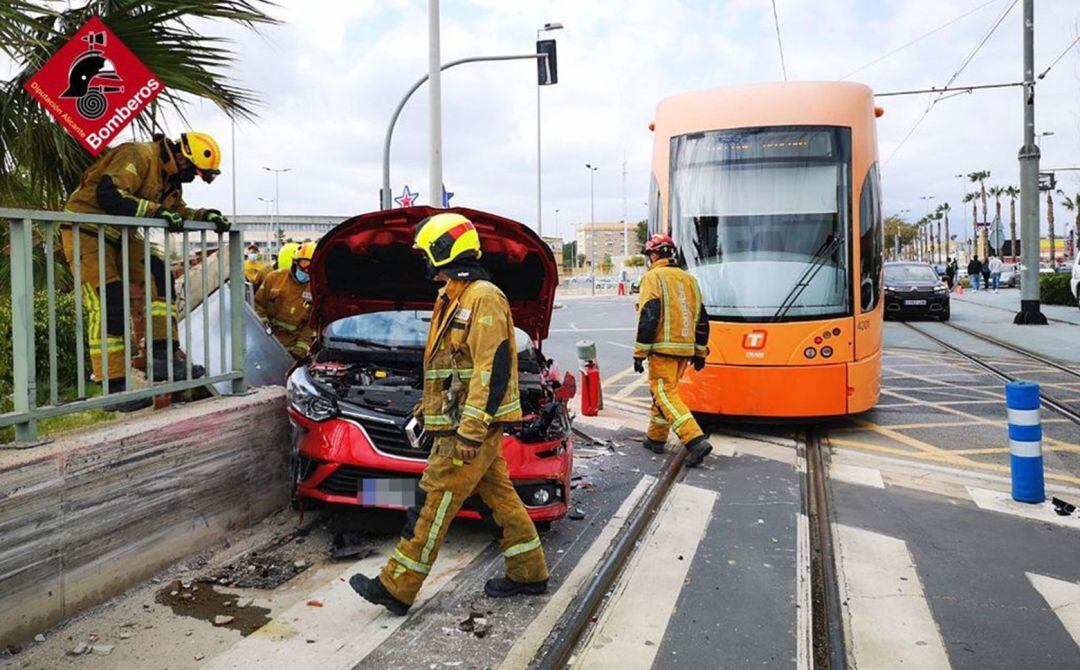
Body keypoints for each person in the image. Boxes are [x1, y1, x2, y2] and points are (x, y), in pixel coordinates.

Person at [350, 213, 548, 615]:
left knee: (433, 500)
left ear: (445, 251)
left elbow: (491, 369)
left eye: (427, 252)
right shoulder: (452, 296)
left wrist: (471, 431)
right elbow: (449, 366)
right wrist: (427, 409)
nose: (424, 261)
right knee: (499, 499)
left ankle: (397, 587)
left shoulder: (483, 297)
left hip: (467, 430)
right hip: (457, 422)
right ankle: (529, 572)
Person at [61, 132, 226, 396]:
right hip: (86, 229)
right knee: (109, 300)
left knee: (159, 274)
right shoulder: (138, 155)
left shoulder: (169, 179)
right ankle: (113, 386)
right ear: (183, 156)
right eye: (195, 172)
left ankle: (163, 357)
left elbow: (175, 210)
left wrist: (204, 215)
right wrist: (155, 211)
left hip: (120, 235)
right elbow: (109, 194)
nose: (193, 178)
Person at [633, 234, 713, 468]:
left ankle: (695, 440)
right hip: (684, 350)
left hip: (662, 349)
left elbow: (649, 314)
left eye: (650, 254)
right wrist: (699, 352)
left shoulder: (653, 277)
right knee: (663, 393)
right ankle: (656, 438)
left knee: (664, 394)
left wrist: (639, 352)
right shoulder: (689, 280)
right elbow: (702, 319)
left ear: (654, 254)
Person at [254, 241, 316, 359]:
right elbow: (258, 305)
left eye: (313, 265)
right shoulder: (274, 278)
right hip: (264, 343)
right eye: (305, 263)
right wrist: (263, 327)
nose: (307, 270)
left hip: (290, 352)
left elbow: (311, 327)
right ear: (295, 262)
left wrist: (298, 353)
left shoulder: (316, 290)